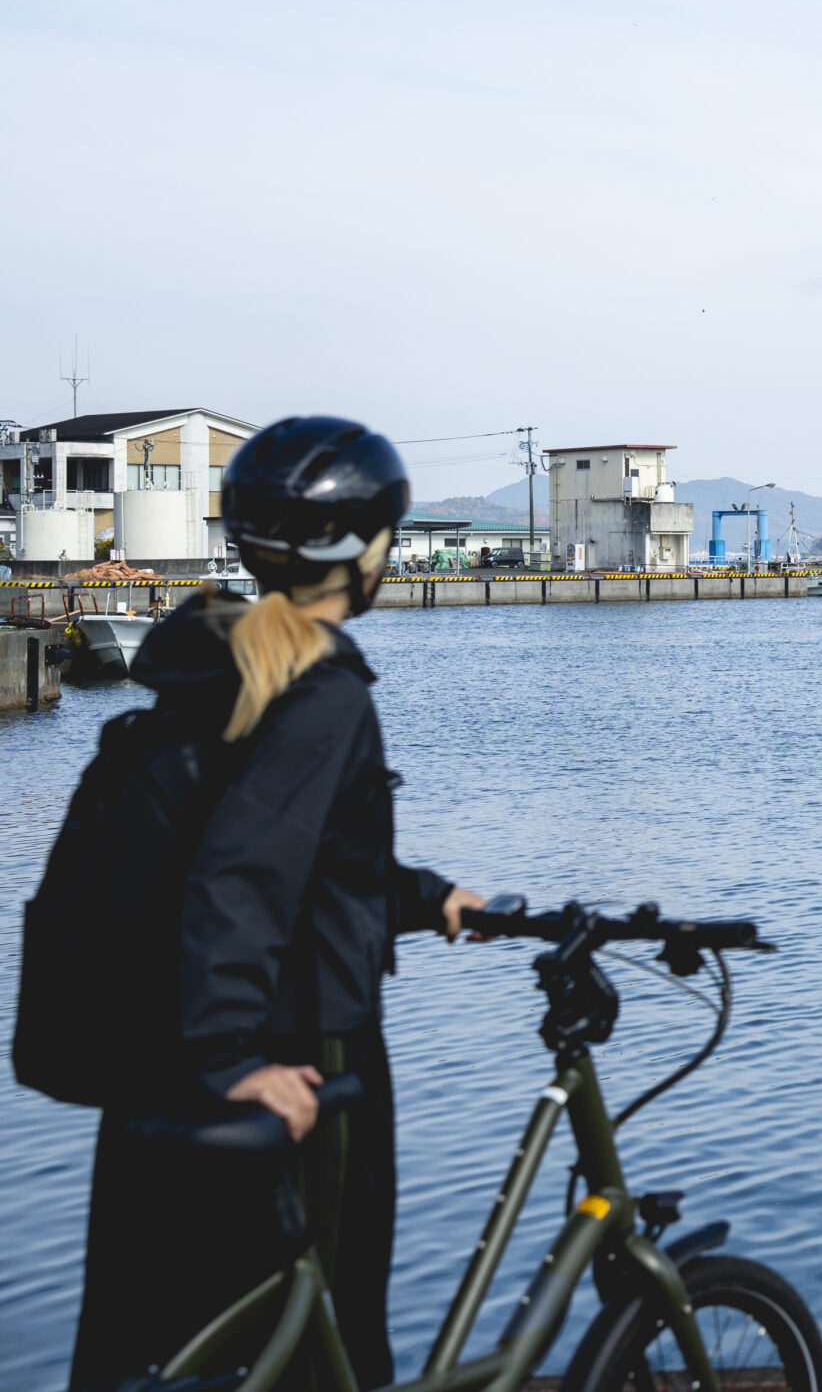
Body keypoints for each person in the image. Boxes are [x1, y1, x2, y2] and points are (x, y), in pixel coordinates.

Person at [69, 416, 482, 1391]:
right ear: (365, 552)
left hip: (163, 1044)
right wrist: (236, 1061)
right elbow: (243, 873)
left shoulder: (216, 662)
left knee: (171, 1333)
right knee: (329, 1343)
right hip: (298, 1055)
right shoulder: (319, 688)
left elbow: (286, 856)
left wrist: (429, 898)